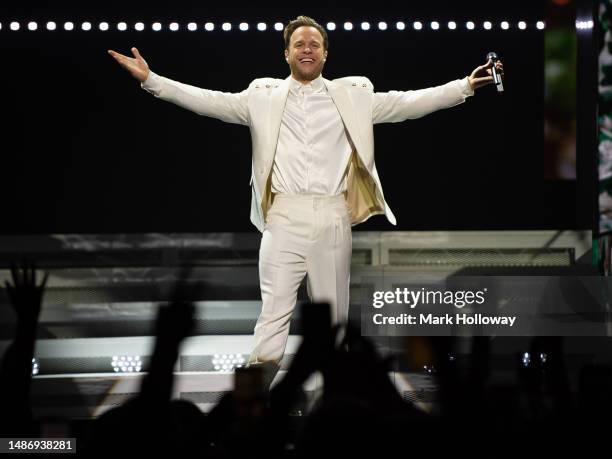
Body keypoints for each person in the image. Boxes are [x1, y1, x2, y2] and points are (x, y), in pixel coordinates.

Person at [108, 15, 504, 383]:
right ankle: (254, 410)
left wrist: (464, 86)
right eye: (299, 43)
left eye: (315, 43)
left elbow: (407, 104)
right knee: (272, 317)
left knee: (332, 322)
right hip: (283, 217)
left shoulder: (353, 95)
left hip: (332, 215)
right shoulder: (260, 96)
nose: (307, 49)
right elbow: (210, 101)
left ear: (326, 53)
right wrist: (152, 80)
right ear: (287, 53)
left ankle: (337, 406)